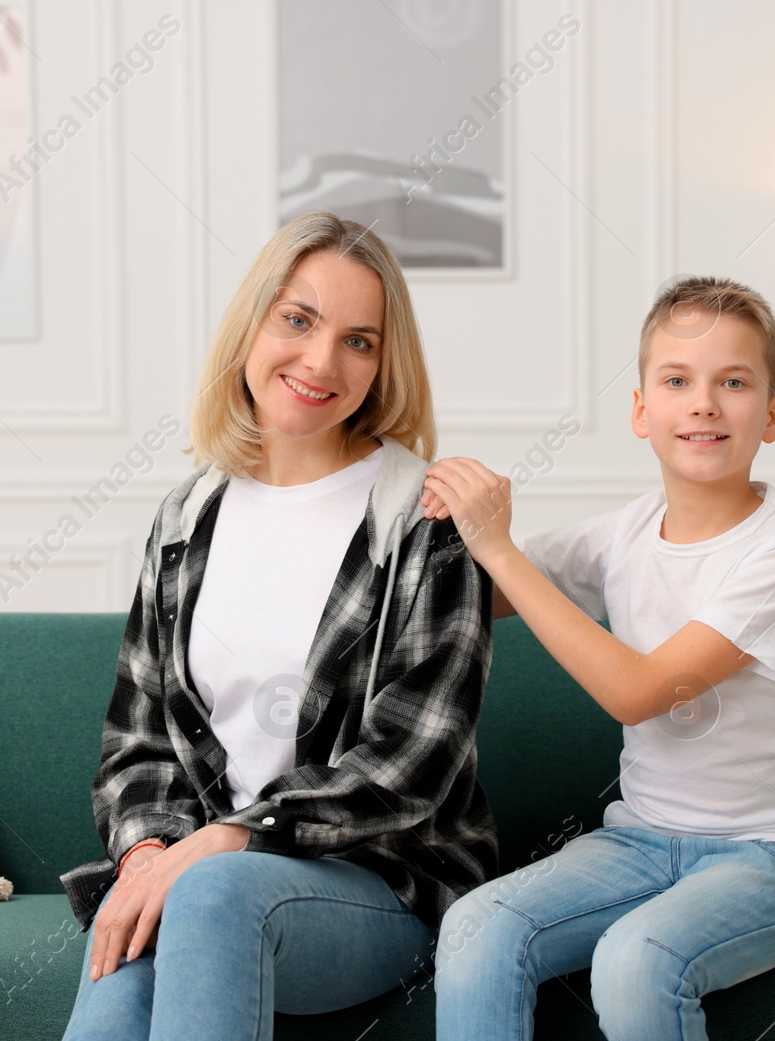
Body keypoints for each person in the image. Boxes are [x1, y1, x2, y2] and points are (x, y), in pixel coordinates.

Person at [58, 211, 498, 1040]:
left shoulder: (424, 520)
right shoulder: (188, 514)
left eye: (360, 341)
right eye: (297, 319)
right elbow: (137, 740)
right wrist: (151, 851)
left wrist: (231, 839)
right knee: (123, 959)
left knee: (211, 893)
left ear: (384, 363)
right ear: (252, 323)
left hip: (386, 885)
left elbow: (411, 765)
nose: (322, 361)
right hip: (204, 873)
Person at [420, 276, 775, 1041]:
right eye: (678, 380)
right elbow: (476, 592)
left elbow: (643, 690)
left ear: (773, 415)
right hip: (641, 840)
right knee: (478, 925)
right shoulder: (625, 531)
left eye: (735, 382)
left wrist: (498, 545)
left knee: (636, 958)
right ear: (641, 411)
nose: (704, 403)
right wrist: (427, 521)